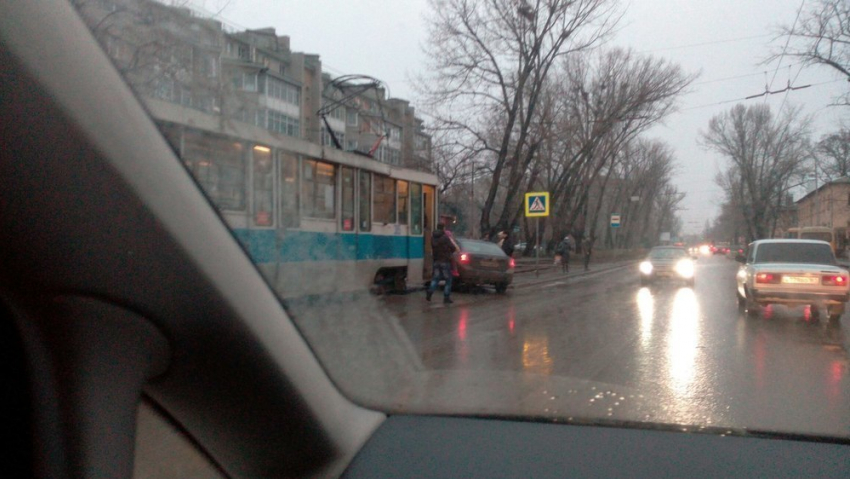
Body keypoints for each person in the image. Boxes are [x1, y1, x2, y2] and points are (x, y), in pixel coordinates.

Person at [427, 223, 459, 304]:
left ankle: (430, 291)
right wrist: (448, 253)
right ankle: (446, 297)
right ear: (443, 228)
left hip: (436, 260)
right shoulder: (445, 237)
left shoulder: (433, 237)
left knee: (435, 278)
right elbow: (453, 248)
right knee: (448, 280)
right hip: (445, 261)